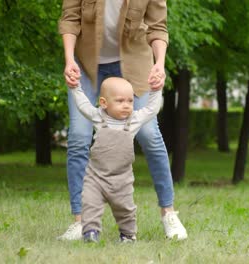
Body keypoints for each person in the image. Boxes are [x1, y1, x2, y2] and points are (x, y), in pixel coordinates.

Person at [58, 0, 187, 241]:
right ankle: (80, 220)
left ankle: (168, 212)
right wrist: (69, 59)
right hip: (86, 64)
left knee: (149, 133)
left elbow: (158, 27)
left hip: (134, 61)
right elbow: (69, 19)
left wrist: (159, 64)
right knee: (78, 136)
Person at [70, 77, 161, 243]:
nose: (126, 105)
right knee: (90, 203)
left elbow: (151, 109)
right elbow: (83, 106)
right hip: (96, 177)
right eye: (120, 101)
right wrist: (76, 88)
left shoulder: (134, 119)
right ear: (104, 103)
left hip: (122, 179)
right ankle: (90, 232)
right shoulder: (99, 117)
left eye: (130, 101)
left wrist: (156, 90)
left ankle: (127, 235)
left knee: (125, 209)